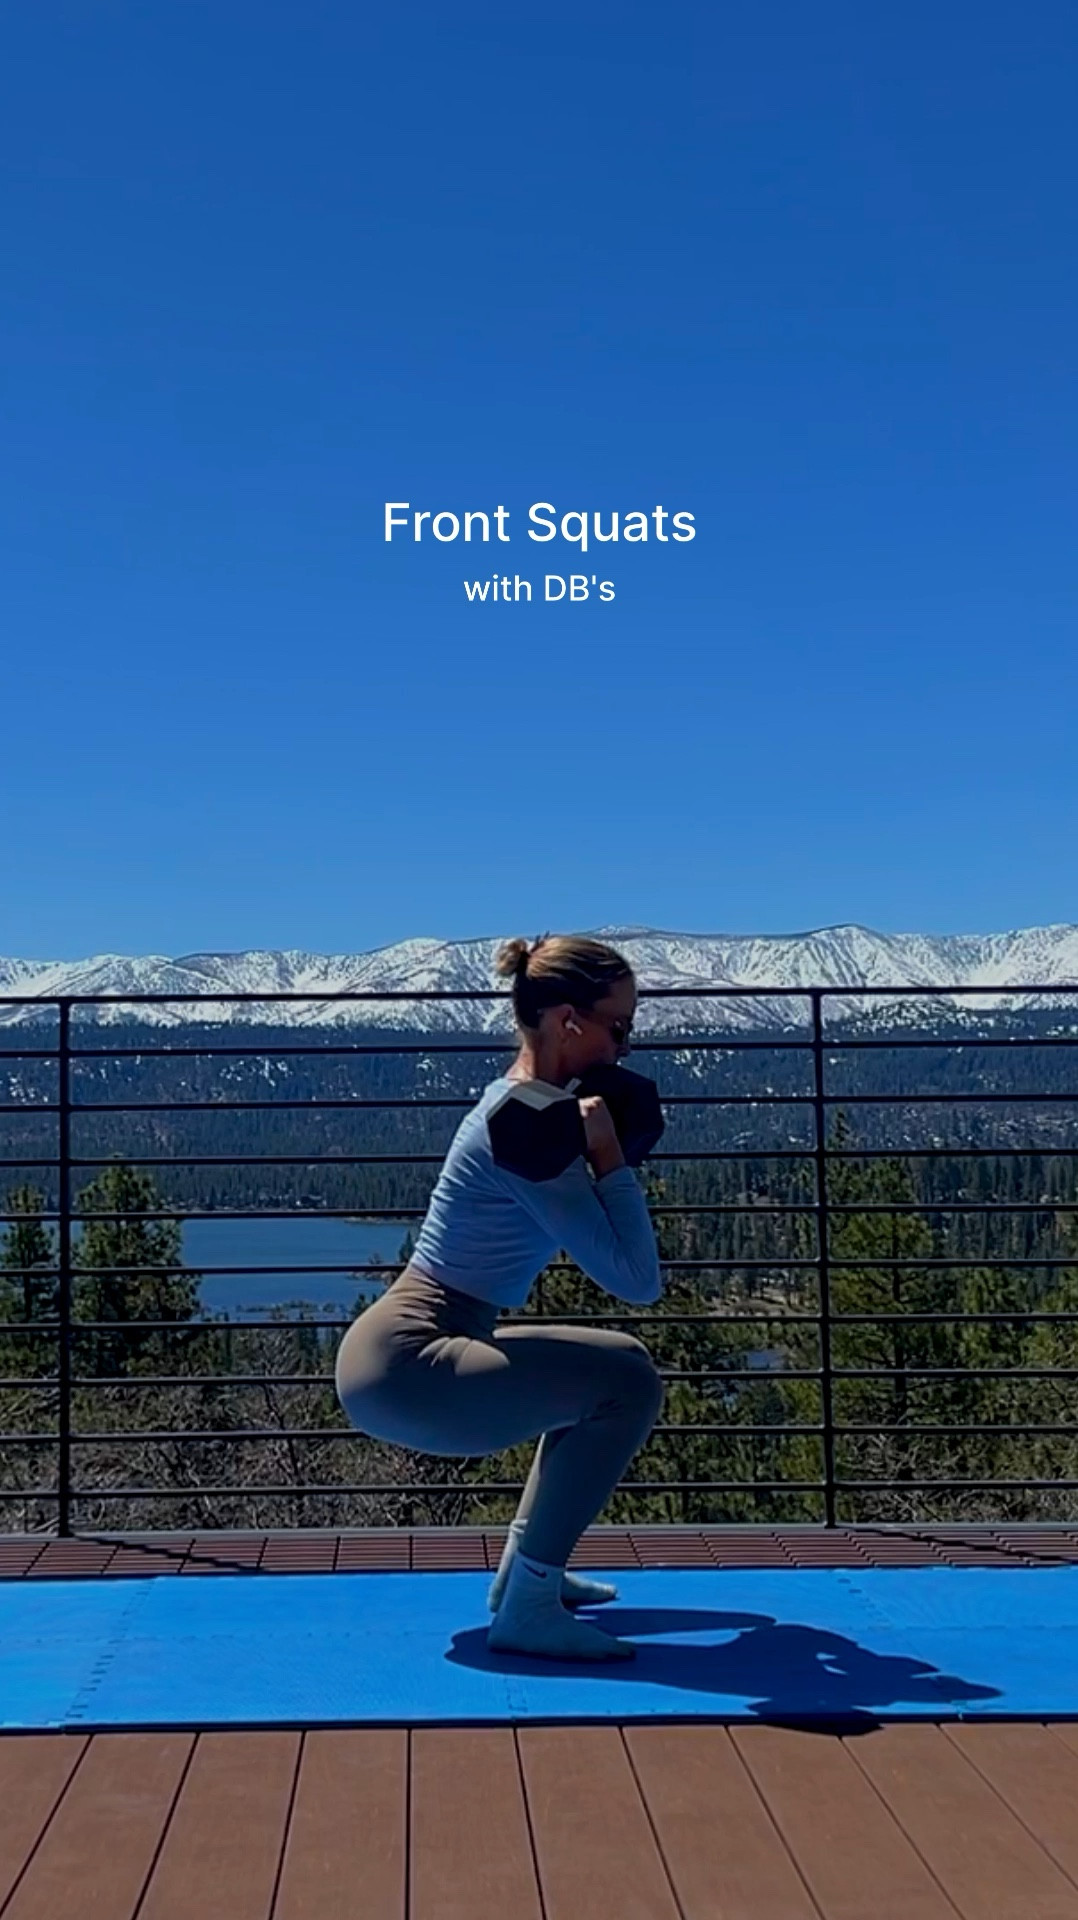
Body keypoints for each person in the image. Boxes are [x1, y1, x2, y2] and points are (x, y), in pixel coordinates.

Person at [335, 933, 664, 1661]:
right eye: (619, 1028)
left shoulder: (531, 1112)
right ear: (568, 1021)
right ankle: (528, 1605)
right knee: (625, 1379)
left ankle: (526, 1573)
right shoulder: (522, 1131)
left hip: (415, 1348)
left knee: (595, 1372)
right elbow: (639, 1280)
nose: (625, 1048)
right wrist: (609, 1158)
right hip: (408, 1365)